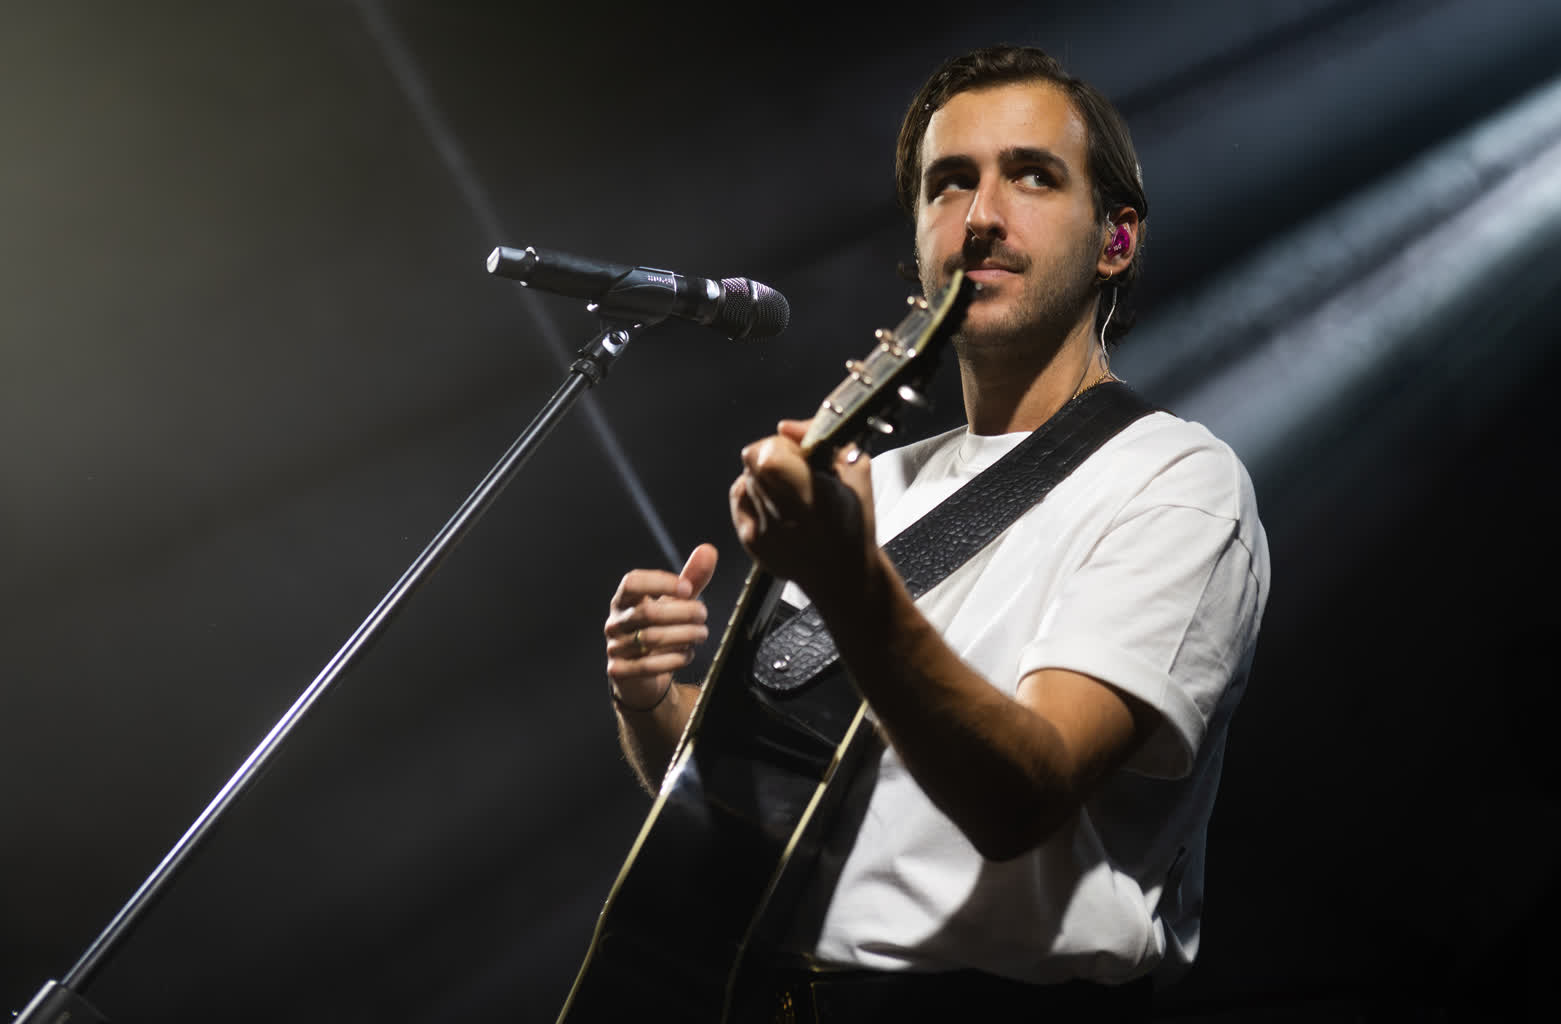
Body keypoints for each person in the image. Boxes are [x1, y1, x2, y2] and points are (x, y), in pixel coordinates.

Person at [600, 45, 1269, 1022]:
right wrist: (650, 699)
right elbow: (754, 791)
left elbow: (1022, 796)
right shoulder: (872, 484)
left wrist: (849, 581)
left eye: (1031, 176)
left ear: (1116, 240)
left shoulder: (1174, 479)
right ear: (917, 245)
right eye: (948, 183)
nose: (981, 215)